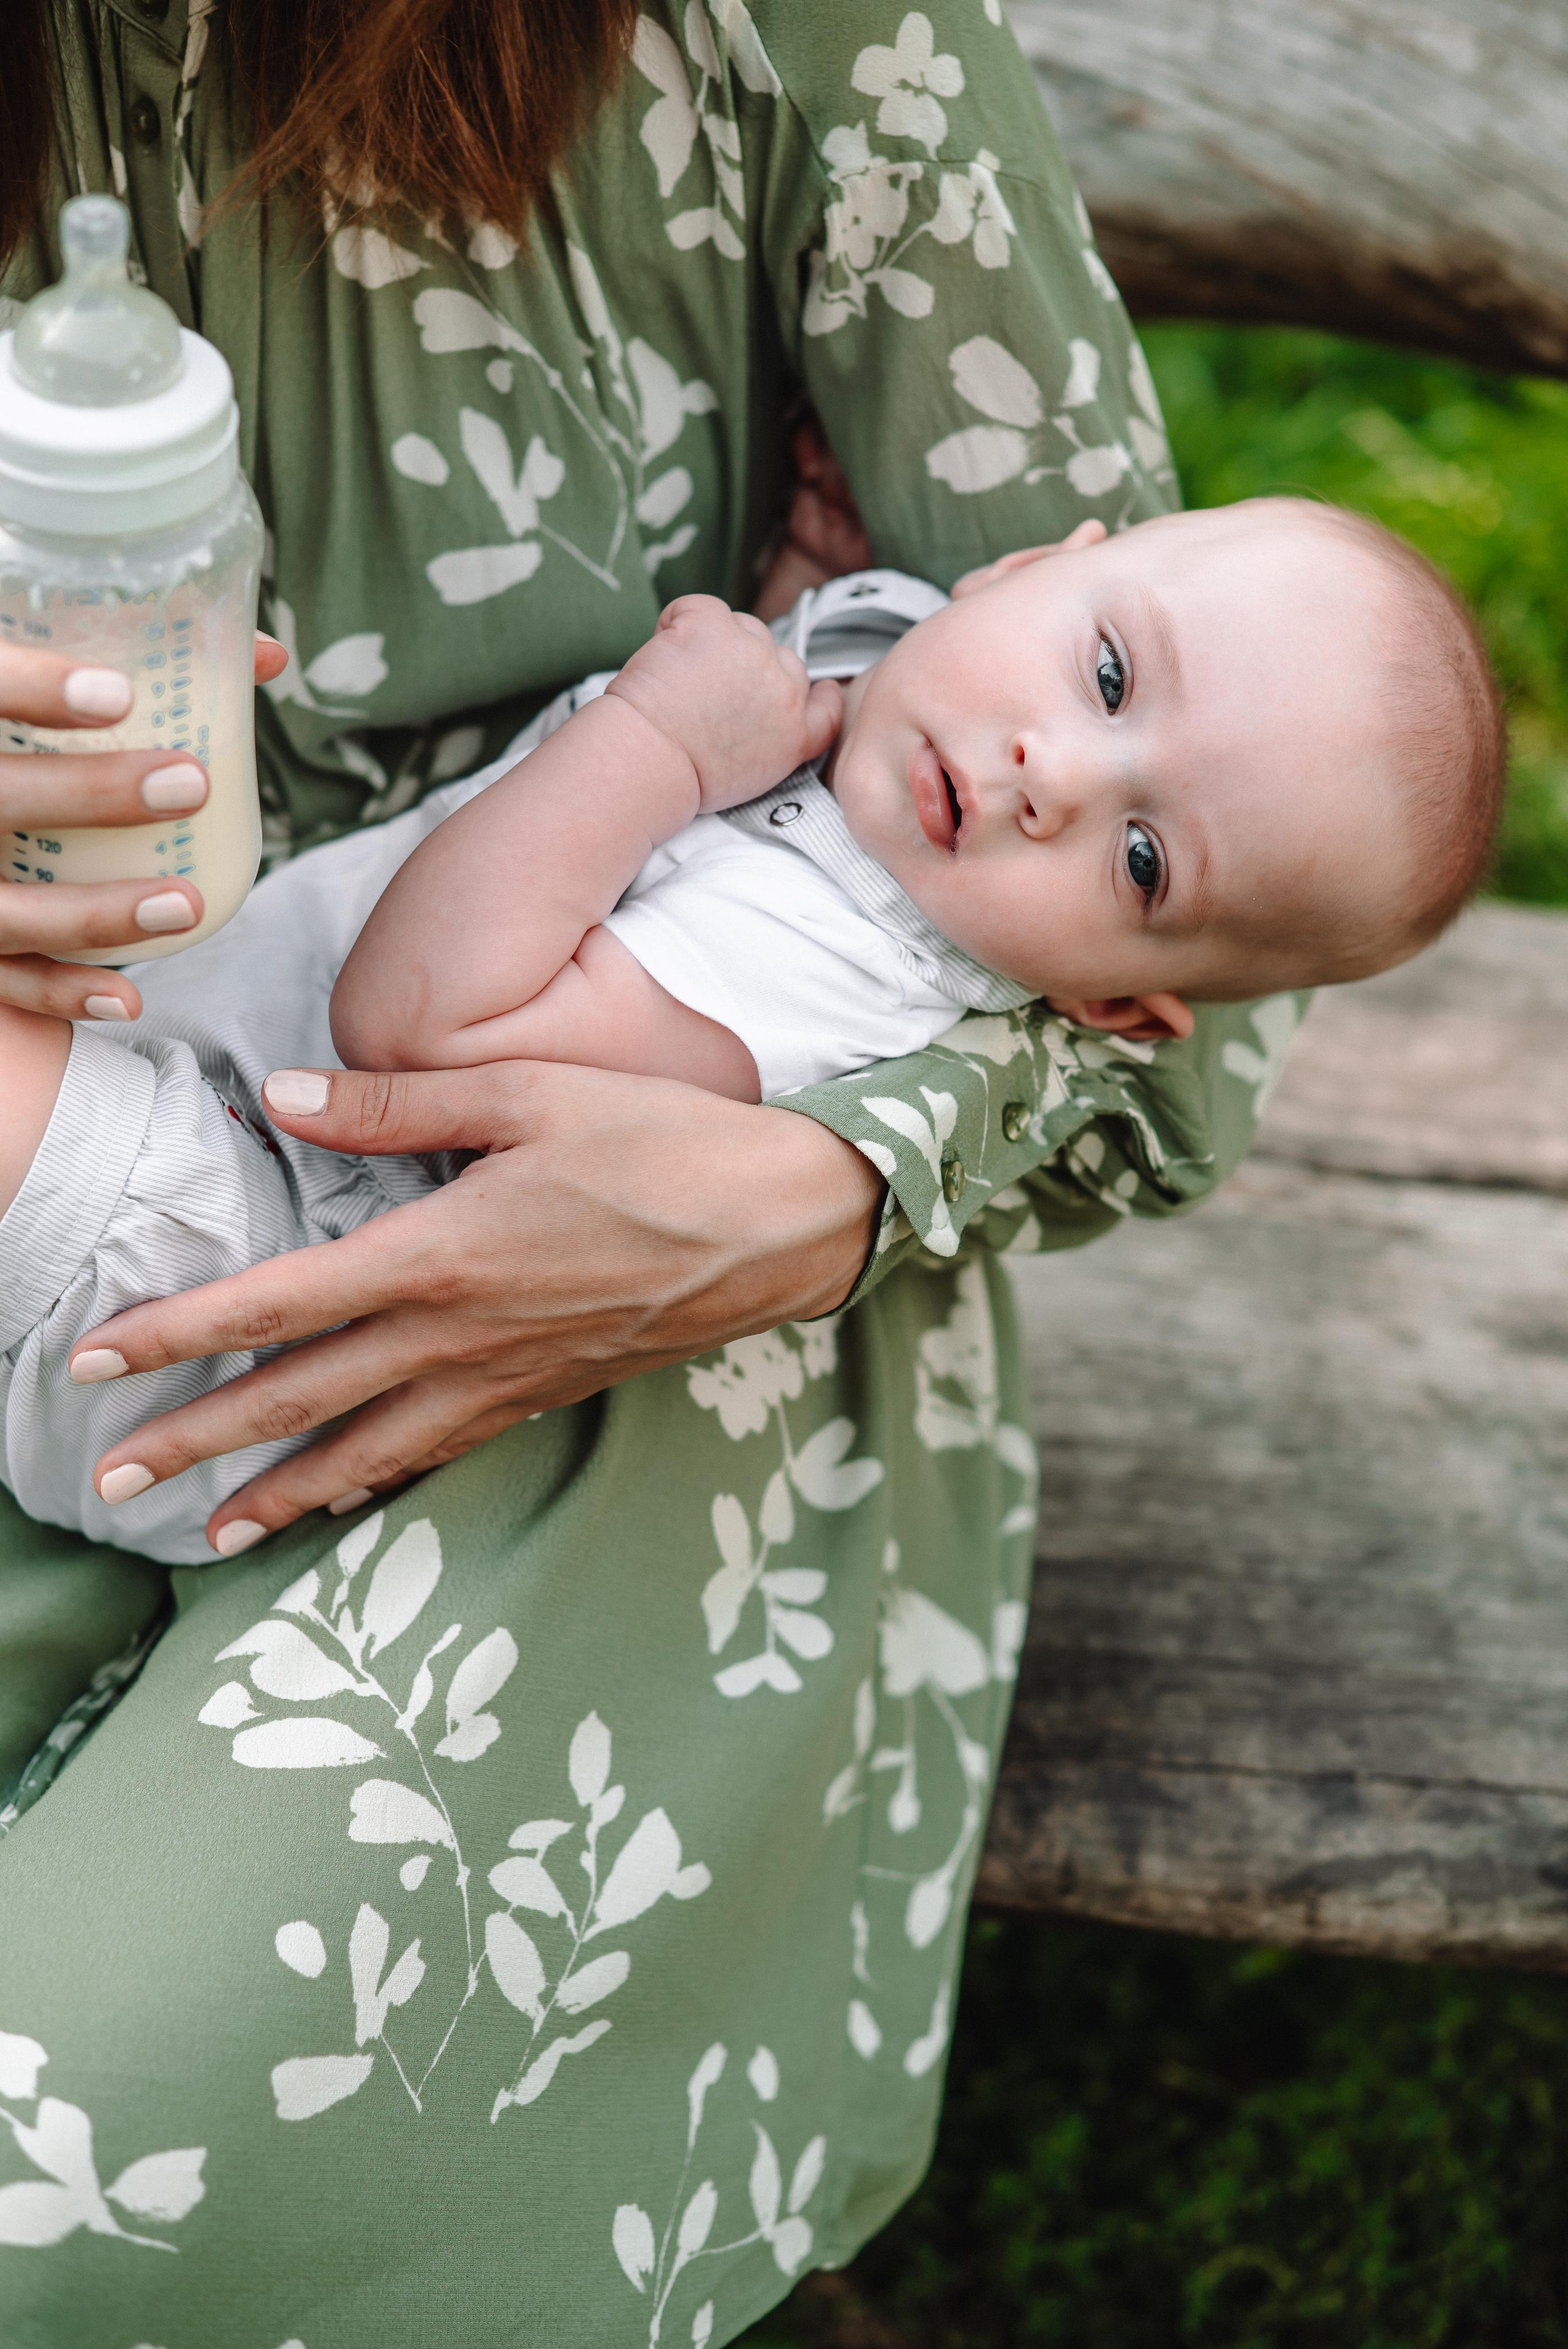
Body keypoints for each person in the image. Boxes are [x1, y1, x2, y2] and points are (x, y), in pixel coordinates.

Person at [0, 2, 1331, 2341]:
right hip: (136, 1116)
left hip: (634, 1307)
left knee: (99, 2122)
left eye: (1115, 811)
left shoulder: (803, 34)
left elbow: (1214, 1033)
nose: (1041, 772)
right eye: (1082, 695)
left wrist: (828, 1178)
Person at [0, 502, 1504, 1566]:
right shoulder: (909, 674)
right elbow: (813, 693)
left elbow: (418, 1031)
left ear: (1106, 1006)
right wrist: (802, 575)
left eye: (1140, 861)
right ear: (1042, 564)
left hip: (226, 1286)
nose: (1058, 773)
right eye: (1108, 674)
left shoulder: (836, 977)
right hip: (193, 1069)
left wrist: (658, 743)